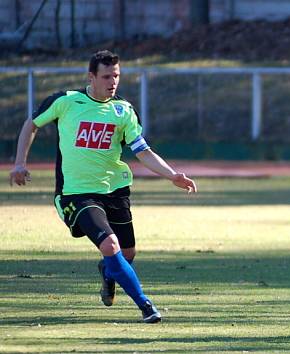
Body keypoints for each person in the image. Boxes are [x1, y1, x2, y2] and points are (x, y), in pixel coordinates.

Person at [9, 50, 197, 323]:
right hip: (76, 194)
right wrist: (19, 162)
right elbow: (31, 124)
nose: (113, 82)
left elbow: (142, 151)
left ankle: (109, 274)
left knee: (127, 253)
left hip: (115, 190)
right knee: (110, 245)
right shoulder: (67, 101)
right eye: (107, 76)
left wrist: (172, 175)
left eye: (117, 76)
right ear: (91, 77)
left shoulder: (124, 110)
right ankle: (146, 306)